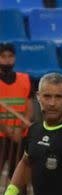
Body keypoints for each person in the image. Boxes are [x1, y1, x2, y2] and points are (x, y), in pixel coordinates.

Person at [0, 42, 34, 177]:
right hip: (2, 135)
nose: (7, 59)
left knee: (19, 178)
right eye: (3, 56)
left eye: (10, 56)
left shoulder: (24, 79)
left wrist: (19, 128)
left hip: (20, 135)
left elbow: (30, 107)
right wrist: (7, 130)